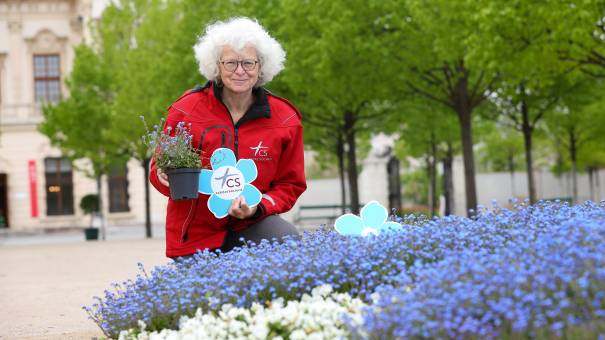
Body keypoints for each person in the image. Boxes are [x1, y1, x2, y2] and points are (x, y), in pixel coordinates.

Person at [149, 17, 306, 259]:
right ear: (217, 67)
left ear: (261, 66)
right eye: (231, 62)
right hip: (196, 233)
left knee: (288, 242)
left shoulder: (285, 118)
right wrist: (163, 177)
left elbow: (290, 184)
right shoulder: (185, 110)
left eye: (248, 62)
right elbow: (158, 170)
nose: (240, 71)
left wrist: (257, 207)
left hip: (252, 224)